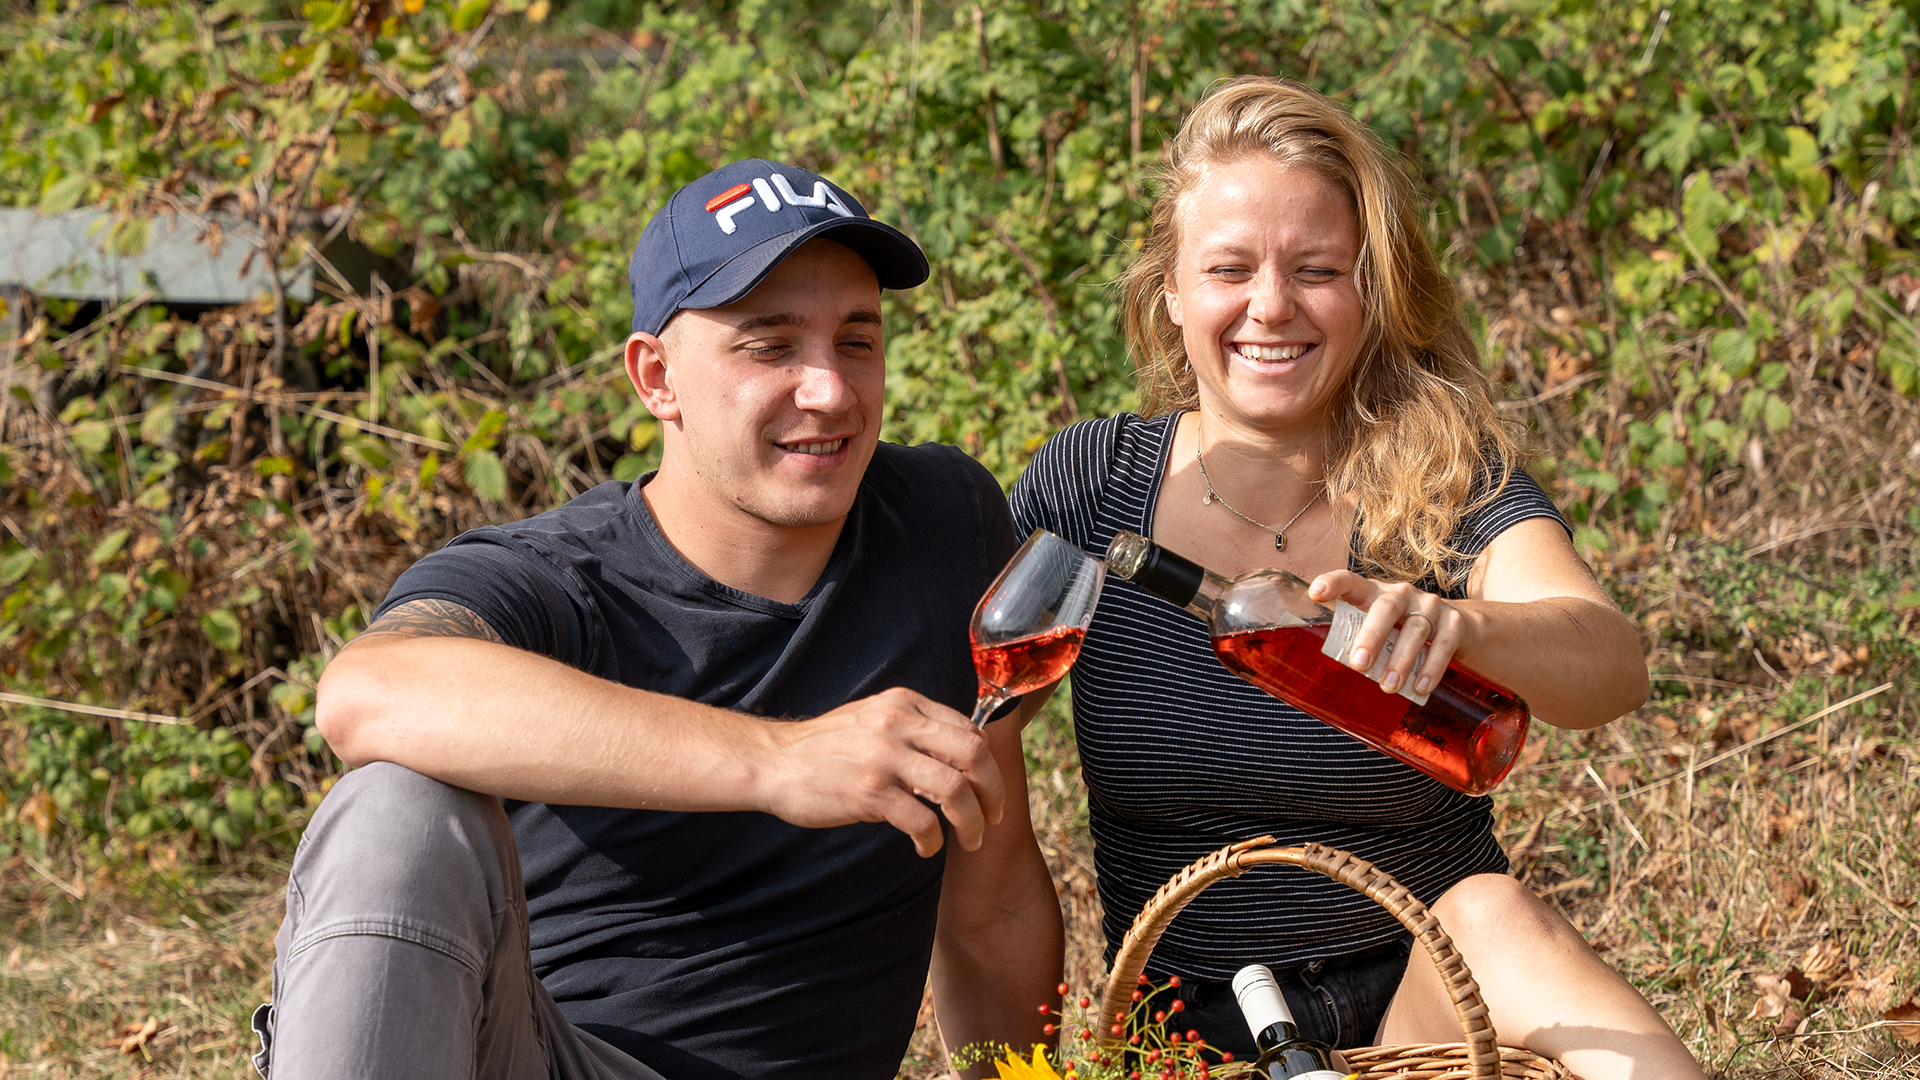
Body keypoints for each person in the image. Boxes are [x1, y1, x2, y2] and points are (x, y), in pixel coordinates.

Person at [254, 159, 1063, 1080]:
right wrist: (779, 761)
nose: (831, 391)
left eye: (857, 340)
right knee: (394, 807)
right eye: (769, 346)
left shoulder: (944, 522)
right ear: (656, 378)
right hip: (559, 1063)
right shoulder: (553, 580)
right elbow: (367, 693)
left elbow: (989, 900)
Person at [1009, 78, 1706, 1080]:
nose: (1271, 306)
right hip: (1190, 1039)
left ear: (1370, 289)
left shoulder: (1444, 479)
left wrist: (1468, 632)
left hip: (1432, 1011)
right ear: (1170, 288)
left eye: (1317, 268)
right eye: (1229, 268)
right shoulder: (1087, 488)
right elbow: (970, 765)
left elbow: (1613, 667)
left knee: (1494, 911)